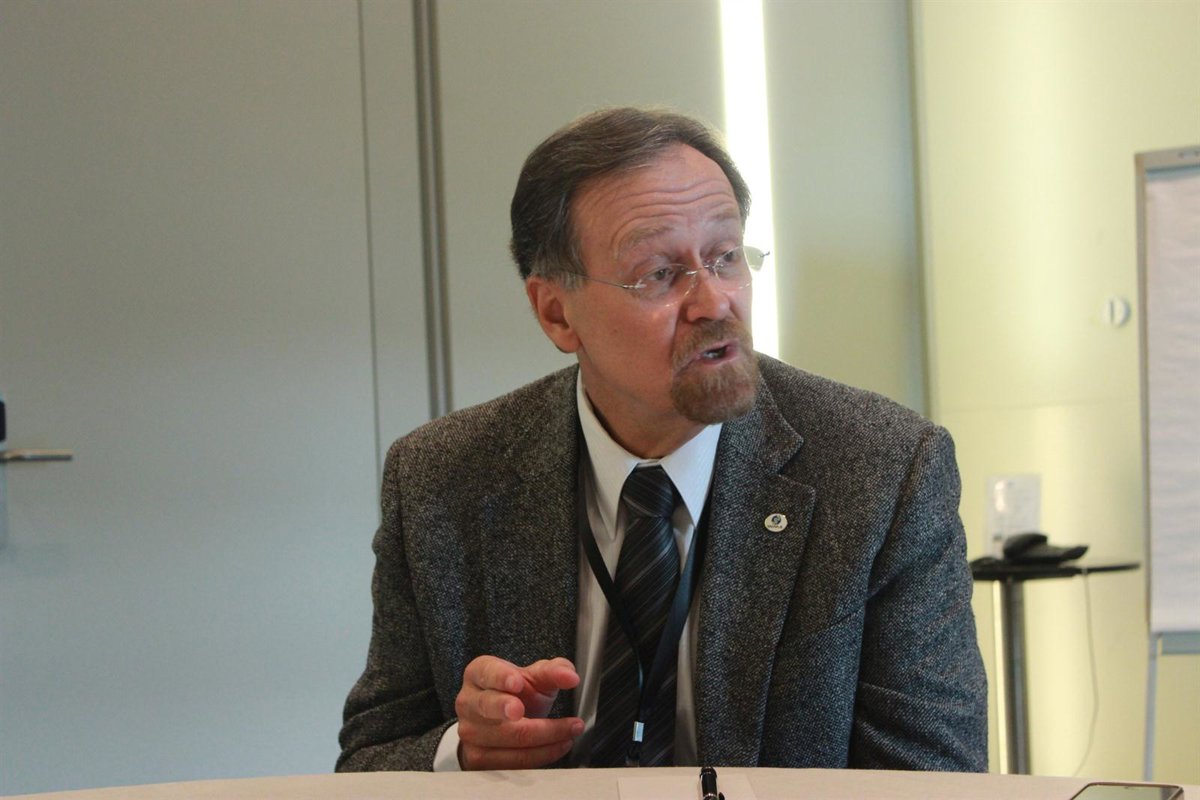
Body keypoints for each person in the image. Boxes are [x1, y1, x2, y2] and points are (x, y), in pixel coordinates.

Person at [336, 107, 987, 773]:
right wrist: (464, 750)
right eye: (659, 274)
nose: (715, 303)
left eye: (726, 257)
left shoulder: (881, 470)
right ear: (556, 313)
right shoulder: (441, 478)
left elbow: (935, 778)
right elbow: (368, 760)